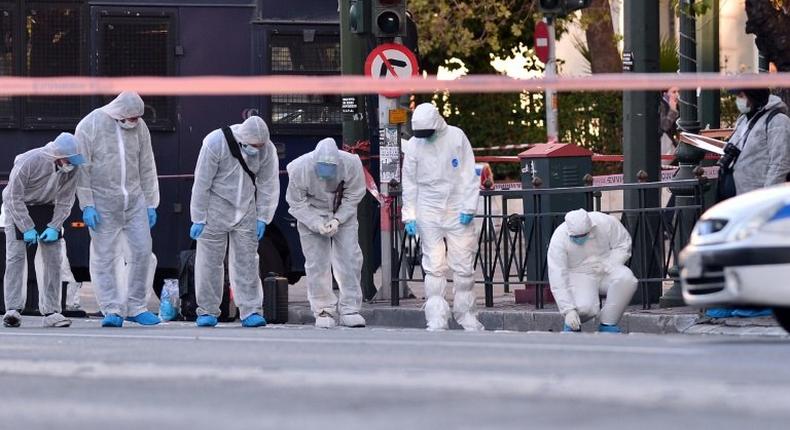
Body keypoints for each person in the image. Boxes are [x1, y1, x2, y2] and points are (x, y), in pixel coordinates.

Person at [75, 91, 161, 328]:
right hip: (103, 202)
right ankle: (112, 309)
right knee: (105, 257)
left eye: (138, 118)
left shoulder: (140, 127)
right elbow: (83, 168)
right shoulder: (90, 124)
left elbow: (147, 164)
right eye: (132, 118)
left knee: (143, 252)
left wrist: (151, 202)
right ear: (119, 113)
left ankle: (136, 306)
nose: (135, 122)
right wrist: (88, 204)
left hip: (134, 201)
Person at [706, 88, 790, 319]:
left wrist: (766, 199)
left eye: (742, 95)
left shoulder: (778, 120)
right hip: (737, 196)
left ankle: (761, 301)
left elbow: (779, 161)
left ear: (753, 96)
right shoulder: (745, 119)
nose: (738, 100)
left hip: (758, 199)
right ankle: (735, 299)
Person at [189, 116, 279, 328]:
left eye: (260, 146)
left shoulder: (267, 149)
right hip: (214, 209)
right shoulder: (215, 142)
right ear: (242, 140)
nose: (257, 150)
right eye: (253, 146)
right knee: (208, 263)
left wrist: (263, 217)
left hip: (246, 209)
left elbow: (268, 184)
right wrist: (198, 217)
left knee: (247, 262)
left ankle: (251, 310)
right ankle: (207, 311)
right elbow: (202, 182)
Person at [401, 103, 483, 331]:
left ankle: (466, 314)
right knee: (434, 266)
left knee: (463, 265)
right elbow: (410, 181)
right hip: (428, 207)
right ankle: (436, 316)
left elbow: (469, 173)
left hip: (457, 206)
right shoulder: (415, 146)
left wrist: (468, 207)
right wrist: (409, 215)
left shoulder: (456, 137)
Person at [2, 133, 85, 328]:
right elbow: (14, 197)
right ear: (58, 155)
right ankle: (12, 310)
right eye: (69, 160)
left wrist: (55, 225)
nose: (71, 164)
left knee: (53, 260)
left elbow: (66, 200)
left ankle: (52, 311)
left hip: (47, 206)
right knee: (15, 258)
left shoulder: (72, 170)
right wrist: (27, 227)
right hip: (18, 207)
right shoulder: (30, 162)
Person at [286, 138, 366, 329]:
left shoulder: (351, 163)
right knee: (316, 263)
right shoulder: (299, 168)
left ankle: (350, 309)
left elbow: (354, 194)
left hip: (342, 213)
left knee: (350, 258)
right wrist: (316, 223)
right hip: (311, 213)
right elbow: (296, 203)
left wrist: (338, 219)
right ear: (315, 161)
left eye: (331, 166)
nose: (326, 171)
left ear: (338, 163)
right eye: (323, 166)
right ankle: (323, 309)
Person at [547, 209, 638, 333]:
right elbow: (557, 274)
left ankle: (608, 323)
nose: (580, 239)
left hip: (605, 268)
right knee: (585, 308)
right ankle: (573, 323)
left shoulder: (605, 222)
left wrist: (608, 264)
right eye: (576, 237)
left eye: (584, 235)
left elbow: (623, 244)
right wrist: (567, 310)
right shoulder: (559, 238)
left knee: (627, 279)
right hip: (579, 274)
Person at [659, 86, 680, 157]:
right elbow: (664, 126)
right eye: (674, 92)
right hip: (665, 145)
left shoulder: (675, 104)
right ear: (665, 94)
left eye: (678, 92)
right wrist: (673, 111)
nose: (677, 95)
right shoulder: (662, 105)